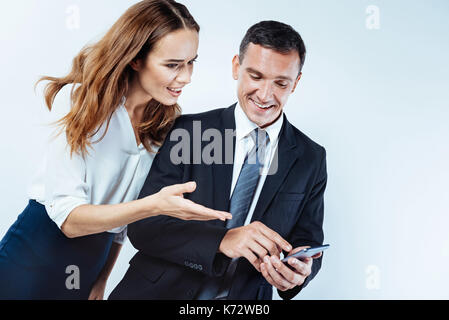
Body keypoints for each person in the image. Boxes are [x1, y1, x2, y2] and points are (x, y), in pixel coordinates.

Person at [0, 0, 231, 300]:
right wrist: (154, 205)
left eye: (191, 62)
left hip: (89, 265)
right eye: (173, 65)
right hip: (33, 258)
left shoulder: (164, 122)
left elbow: (119, 225)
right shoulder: (80, 102)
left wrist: (101, 277)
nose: (186, 77)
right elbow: (68, 220)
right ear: (135, 59)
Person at [109, 20, 327, 300]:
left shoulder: (312, 157)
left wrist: (300, 272)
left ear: (295, 83)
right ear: (237, 67)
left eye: (280, 83)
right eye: (256, 76)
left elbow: (308, 241)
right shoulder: (189, 132)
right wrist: (222, 241)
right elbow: (144, 226)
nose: (264, 95)